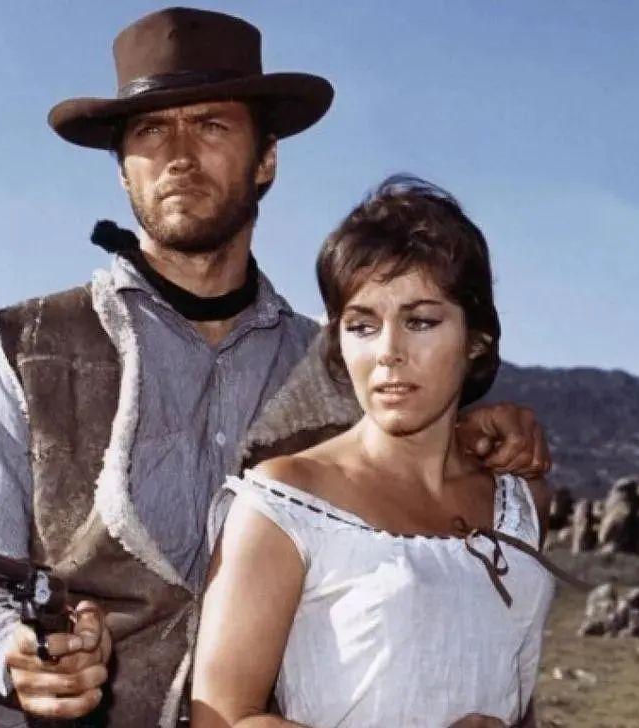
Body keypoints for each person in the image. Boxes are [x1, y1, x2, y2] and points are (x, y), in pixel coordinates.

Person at [0, 9, 551, 728]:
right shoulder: (29, 349)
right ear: (123, 168)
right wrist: (16, 656)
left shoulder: (341, 362)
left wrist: (477, 430)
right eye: (150, 131)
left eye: (211, 125)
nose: (179, 155)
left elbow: (409, 478)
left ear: (266, 160)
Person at [193, 177, 562, 727]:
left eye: (421, 322)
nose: (389, 352)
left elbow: (511, 686)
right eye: (363, 325)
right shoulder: (285, 501)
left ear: (476, 339)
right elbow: (221, 720)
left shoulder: (519, 501)